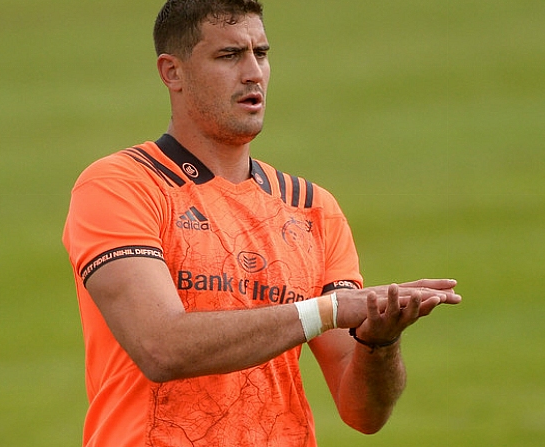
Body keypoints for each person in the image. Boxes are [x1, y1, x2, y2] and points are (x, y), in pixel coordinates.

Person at [62, 1, 461, 446]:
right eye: (229, 55)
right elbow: (161, 347)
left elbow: (362, 413)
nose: (253, 72)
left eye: (262, 53)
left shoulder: (312, 209)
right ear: (172, 72)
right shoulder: (122, 185)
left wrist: (380, 343)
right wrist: (325, 312)